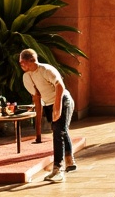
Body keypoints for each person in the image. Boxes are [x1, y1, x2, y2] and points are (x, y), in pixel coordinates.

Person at [19, 48, 75, 182]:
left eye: (22, 63)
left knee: (58, 132)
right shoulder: (28, 76)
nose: (21, 65)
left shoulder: (46, 70)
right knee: (60, 130)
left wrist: (58, 107)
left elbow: (59, 85)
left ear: (32, 60)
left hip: (63, 100)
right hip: (49, 104)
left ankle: (58, 169)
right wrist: (38, 128)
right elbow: (36, 96)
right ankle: (70, 161)